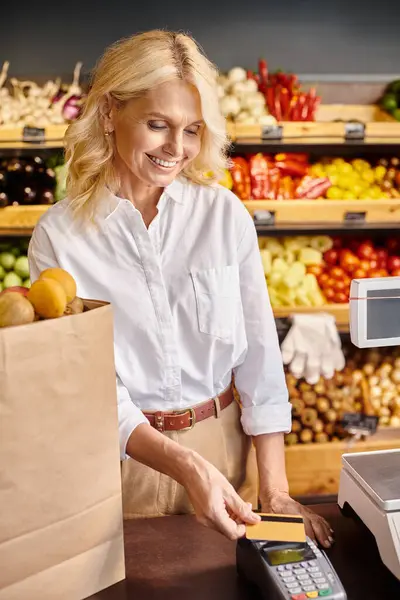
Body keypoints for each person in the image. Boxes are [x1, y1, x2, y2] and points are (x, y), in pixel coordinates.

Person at [28, 30, 333, 546]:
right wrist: (183, 466)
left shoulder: (223, 215)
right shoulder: (60, 237)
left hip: (222, 445)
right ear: (108, 114)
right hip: (122, 460)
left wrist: (276, 490)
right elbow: (90, 385)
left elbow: (258, 355)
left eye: (192, 130)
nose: (177, 149)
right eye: (157, 125)